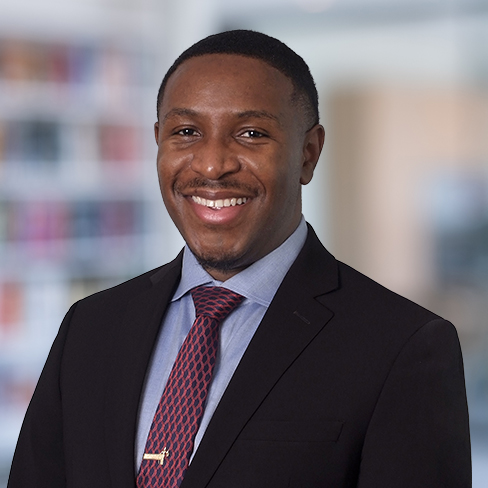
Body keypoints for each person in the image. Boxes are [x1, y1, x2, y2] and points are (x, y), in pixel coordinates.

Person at [8, 30, 471, 488]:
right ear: (158, 142)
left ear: (308, 154)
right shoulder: (91, 326)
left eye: (251, 134)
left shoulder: (402, 347)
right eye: (186, 132)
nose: (211, 165)